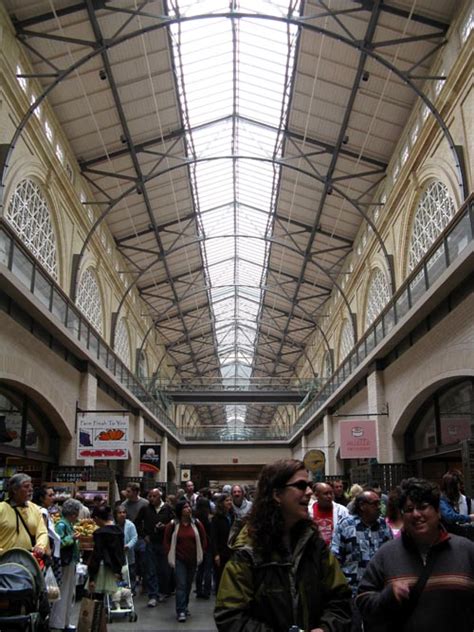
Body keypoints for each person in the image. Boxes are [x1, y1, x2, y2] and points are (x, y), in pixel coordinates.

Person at [215, 459, 351, 632]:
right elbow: (230, 616)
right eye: (301, 485)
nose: (310, 492)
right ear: (277, 494)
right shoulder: (248, 551)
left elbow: (340, 598)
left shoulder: (314, 545)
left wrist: (326, 628)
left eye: (309, 485)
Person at [356, 477, 474, 632]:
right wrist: (387, 597)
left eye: (423, 507)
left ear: (438, 512)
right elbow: (362, 601)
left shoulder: (466, 550)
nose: (416, 514)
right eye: (409, 509)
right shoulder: (385, 555)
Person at [331, 490, 392, 631]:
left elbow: (390, 555)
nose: (379, 507)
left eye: (380, 503)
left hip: (377, 592)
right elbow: (335, 557)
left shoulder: (383, 526)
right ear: (362, 506)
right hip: (352, 590)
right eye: (375, 503)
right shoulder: (345, 525)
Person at [164, 499, 207, 623]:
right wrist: (168, 554)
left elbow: (203, 538)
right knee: (181, 585)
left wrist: (202, 552)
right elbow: (166, 540)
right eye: (185, 507)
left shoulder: (196, 523)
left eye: (189, 507)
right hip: (179, 559)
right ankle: (181, 610)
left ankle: (185, 605)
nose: (188, 509)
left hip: (192, 559)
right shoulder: (173, 524)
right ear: (180, 511)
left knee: (188, 585)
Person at [135, 487, 174, 606]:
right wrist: (144, 535)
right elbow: (137, 522)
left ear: (160, 496)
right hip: (151, 542)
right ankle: (153, 595)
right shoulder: (145, 509)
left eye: (154, 496)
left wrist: (166, 527)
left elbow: (174, 522)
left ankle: (163, 591)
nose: (151, 498)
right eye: (150, 496)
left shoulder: (167, 508)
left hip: (164, 543)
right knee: (151, 569)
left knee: (164, 569)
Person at [48, 498, 81, 632]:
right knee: (64, 592)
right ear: (73, 513)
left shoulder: (67, 523)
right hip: (65, 563)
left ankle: (65, 622)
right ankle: (58, 622)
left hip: (70, 562)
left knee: (69, 593)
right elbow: (59, 543)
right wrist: (71, 539)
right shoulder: (61, 525)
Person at [0, 473, 48, 556]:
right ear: (15, 489)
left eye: (31, 486)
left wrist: (40, 546)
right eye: (26, 486)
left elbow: (42, 532)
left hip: (27, 559)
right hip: (3, 560)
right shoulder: (1, 508)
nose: (31, 489)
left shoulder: (35, 509)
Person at [87, 505, 125, 596]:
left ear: (97, 518)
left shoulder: (99, 533)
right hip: (117, 568)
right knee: (115, 597)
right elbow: (120, 551)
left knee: (99, 597)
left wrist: (92, 577)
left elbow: (97, 554)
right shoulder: (119, 531)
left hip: (102, 569)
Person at [33, 485, 62, 582]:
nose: (53, 498)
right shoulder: (43, 511)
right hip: (47, 552)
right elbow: (43, 532)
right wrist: (48, 551)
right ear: (41, 498)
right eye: (50, 495)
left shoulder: (38, 510)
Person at [439, 469, 474, 536]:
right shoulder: (442, 500)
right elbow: (449, 517)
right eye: (449, 487)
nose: (450, 490)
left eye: (454, 486)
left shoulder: (468, 501)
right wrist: (469, 518)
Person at [211, 493, 234, 592]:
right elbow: (213, 537)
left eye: (230, 500)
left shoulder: (232, 516)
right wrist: (216, 554)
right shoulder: (216, 518)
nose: (229, 502)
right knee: (220, 578)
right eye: (227, 500)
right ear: (221, 503)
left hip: (231, 552)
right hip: (221, 552)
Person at [114, 504, 138, 594]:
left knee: (131, 571)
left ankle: (132, 589)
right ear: (116, 515)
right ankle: (120, 589)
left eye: (124, 512)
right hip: (116, 553)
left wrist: (128, 546)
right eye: (119, 513)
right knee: (120, 572)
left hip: (128, 552)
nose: (122, 514)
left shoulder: (130, 525)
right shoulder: (113, 525)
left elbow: (134, 537)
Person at [194, 496, 213, 599]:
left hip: (198, 545)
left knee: (200, 569)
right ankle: (207, 591)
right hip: (208, 545)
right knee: (208, 569)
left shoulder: (195, 517)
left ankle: (198, 590)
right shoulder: (210, 517)